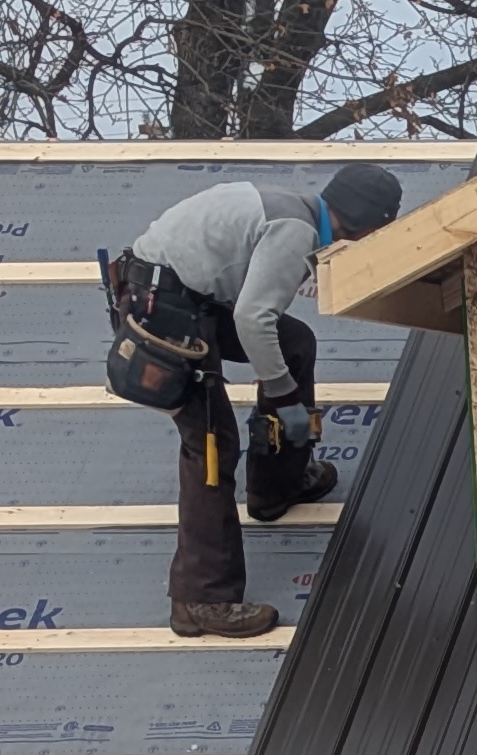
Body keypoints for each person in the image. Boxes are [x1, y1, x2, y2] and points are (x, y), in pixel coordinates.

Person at [117, 156, 411, 639]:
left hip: (191, 299)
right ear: (364, 227)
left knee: (295, 344)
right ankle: (200, 600)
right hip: (166, 313)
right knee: (210, 445)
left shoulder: (295, 209)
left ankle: (277, 485)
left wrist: (284, 388)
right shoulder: (294, 231)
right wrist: (285, 397)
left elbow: (250, 309)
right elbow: (253, 319)